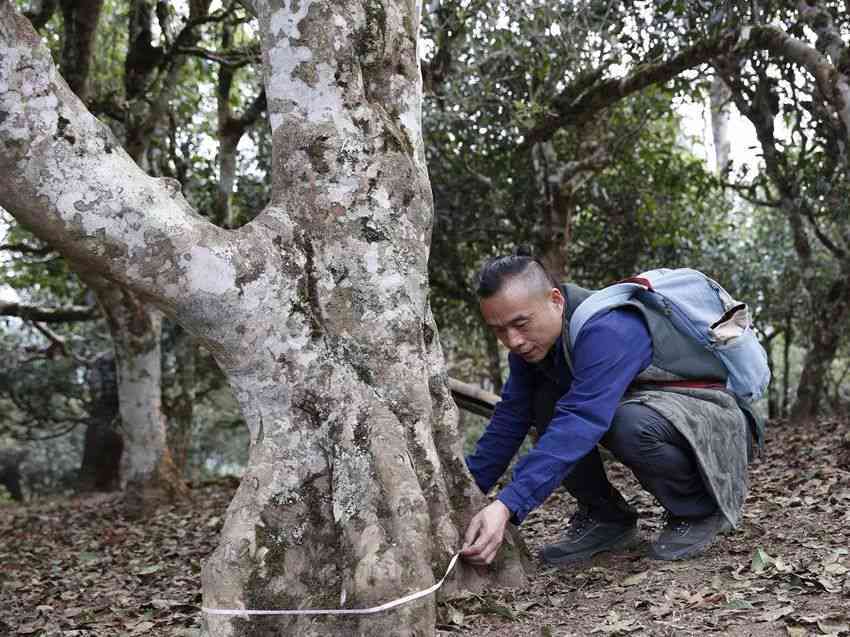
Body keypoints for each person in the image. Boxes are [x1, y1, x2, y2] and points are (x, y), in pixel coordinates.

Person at [460, 252, 753, 566]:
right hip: (656, 411)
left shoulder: (609, 329)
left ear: (556, 301)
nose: (513, 341)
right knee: (545, 401)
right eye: (499, 330)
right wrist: (467, 488)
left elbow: (581, 421)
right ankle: (607, 518)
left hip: (714, 417)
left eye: (520, 323)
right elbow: (510, 418)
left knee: (624, 423)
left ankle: (699, 511)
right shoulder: (531, 350)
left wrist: (507, 505)